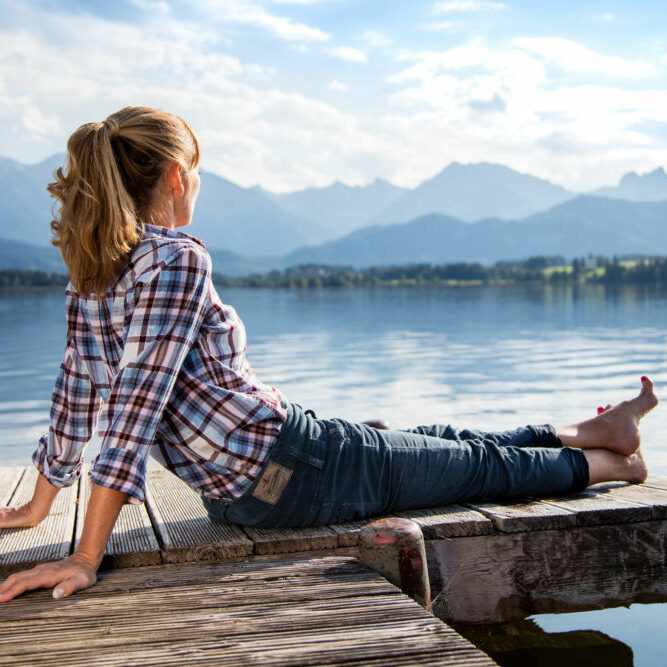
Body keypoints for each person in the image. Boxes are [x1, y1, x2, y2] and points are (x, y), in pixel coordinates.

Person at [0, 106, 658, 604]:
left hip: (256, 481)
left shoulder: (93, 274)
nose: (196, 183)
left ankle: (593, 429)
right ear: (176, 177)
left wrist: (38, 503)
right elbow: (130, 414)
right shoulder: (176, 258)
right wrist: (86, 556)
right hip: (295, 468)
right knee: (471, 467)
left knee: (435, 441)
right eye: (196, 171)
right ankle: (609, 464)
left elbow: (75, 395)